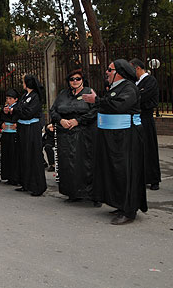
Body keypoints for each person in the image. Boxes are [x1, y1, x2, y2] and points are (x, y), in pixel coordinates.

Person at [84, 59, 147, 225]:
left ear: (119, 72)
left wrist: (96, 101)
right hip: (114, 137)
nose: (106, 72)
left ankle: (128, 210)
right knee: (114, 171)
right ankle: (120, 203)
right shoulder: (116, 87)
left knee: (125, 172)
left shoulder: (129, 88)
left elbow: (119, 106)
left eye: (109, 69)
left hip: (127, 136)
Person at [49, 69, 98, 202]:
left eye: (78, 78)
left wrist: (78, 121)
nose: (75, 81)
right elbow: (53, 110)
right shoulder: (63, 94)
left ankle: (91, 194)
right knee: (68, 164)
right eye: (72, 79)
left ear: (82, 80)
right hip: (65, 134)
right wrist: (61, 120)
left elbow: (95, 110)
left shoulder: (89, 92)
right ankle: (73, 192)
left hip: (84, 133)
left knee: (85, 163)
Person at [13, 74, 47, 197]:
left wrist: (15, 110)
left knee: (33, 156)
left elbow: (28, 112)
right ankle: (25, 183)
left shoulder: (36, 96)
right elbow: (19, 108)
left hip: (32, 128)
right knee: (23, 156)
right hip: (22, 128)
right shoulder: (24, 96)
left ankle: (38, 186)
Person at [130, 58, 161, 190]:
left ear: (137, 68)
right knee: (138, 149)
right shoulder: (134, 82)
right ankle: (140, 177)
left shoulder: (150, 81)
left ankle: (153, 179)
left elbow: (140, 98)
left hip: (146, 118)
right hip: (135, 118)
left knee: (149, 148)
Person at [0, 89, 19, 185]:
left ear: (16, 99)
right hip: (6, 133)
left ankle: (15, 177)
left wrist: (16, 124)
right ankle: (8, 176)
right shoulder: (5, 108)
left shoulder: (18, 108)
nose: (8, 100)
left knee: (14, 156)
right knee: (6, 155)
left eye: (10, 98)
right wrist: (1, 123)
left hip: (14, 134)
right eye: (7, 98)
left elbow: (20, 117)